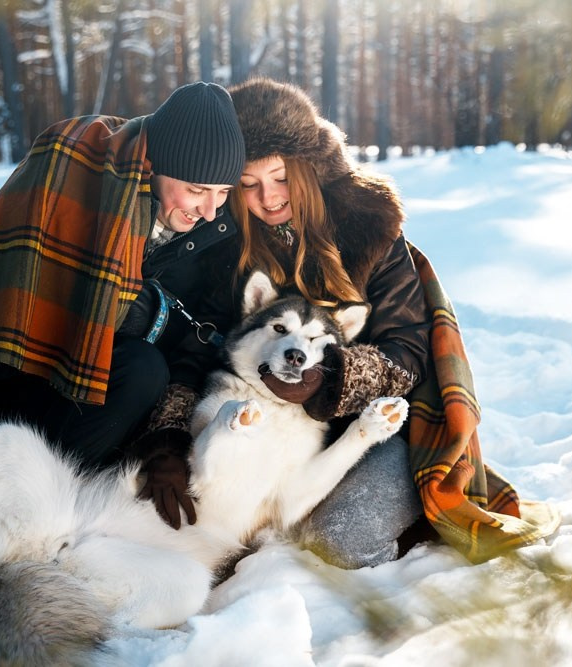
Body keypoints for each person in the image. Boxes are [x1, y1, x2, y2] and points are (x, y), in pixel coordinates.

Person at [0, 81, 247, 504]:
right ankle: (18, 501)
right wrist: (121, 310)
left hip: (103, 405)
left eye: (223, 192)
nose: (210, 210)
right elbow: (20, 287)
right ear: (157, 166)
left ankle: (59, 500)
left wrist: (151, 321)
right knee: (141, 368)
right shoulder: (81, 169)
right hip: (19, 376)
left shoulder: (209, 234)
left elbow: (191, 341)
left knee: (146, 369)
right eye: (197, 190)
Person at [136, 77, 433, 568]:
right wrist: (166, 440)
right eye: (248, 184)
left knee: (336, 543)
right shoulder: (229, 247)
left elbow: (409, 351)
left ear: (307, 169)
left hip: (367, 430)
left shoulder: (369, 227)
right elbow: (194, 348)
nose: (268, 197)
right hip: (271, 444)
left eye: (279, 177)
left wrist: (331, 379)